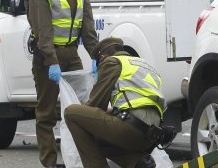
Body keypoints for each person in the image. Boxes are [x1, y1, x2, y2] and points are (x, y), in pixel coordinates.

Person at [24, 0, 98, 168]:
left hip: (71, 56)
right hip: (47, 60)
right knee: (46, 114)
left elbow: (89, 33)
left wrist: (96, 57)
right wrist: (53, 63)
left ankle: (79, 161)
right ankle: (49, 163)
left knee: (81, 111)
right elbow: (44, 36)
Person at [64, 37, 168, 168]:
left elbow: (95, 104)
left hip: (131, 129)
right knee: (100, 140)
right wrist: (113, 112)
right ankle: (138, 162)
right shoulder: (145, 65)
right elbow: (137, 100)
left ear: (102, 56)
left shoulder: (111, 62)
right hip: (151, 137)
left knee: (72, 113)